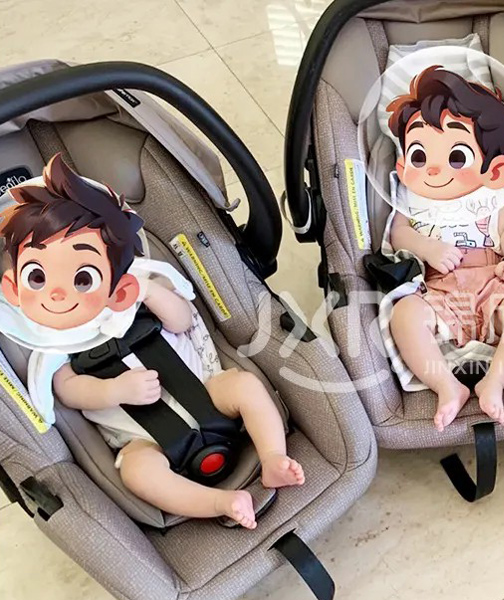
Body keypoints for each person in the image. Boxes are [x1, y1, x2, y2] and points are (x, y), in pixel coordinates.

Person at [0, 155, 303, 529]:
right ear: (13, 288)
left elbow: (182, 320)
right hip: (143, 438)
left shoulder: (140, 292)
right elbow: (70, 392)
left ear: (117, 270)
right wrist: (113, 391)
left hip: (209, 393)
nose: (60, 294)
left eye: (83, 278)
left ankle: (273, 457)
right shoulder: (51, 344)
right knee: (137, 472)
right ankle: (218, 502)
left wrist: (147, 292)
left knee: (244, 385)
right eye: (37, 278)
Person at [386, 66, 504, 431]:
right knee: (404, 315)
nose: (434, 170)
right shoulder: (411, 196)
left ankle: (495, 381)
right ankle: (446, 386)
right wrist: (427, 247)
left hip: (494, 285)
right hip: (437, 290)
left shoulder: (490, 194)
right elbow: (398, 235)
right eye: (420, 156)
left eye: (456, 157)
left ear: (492, 167)